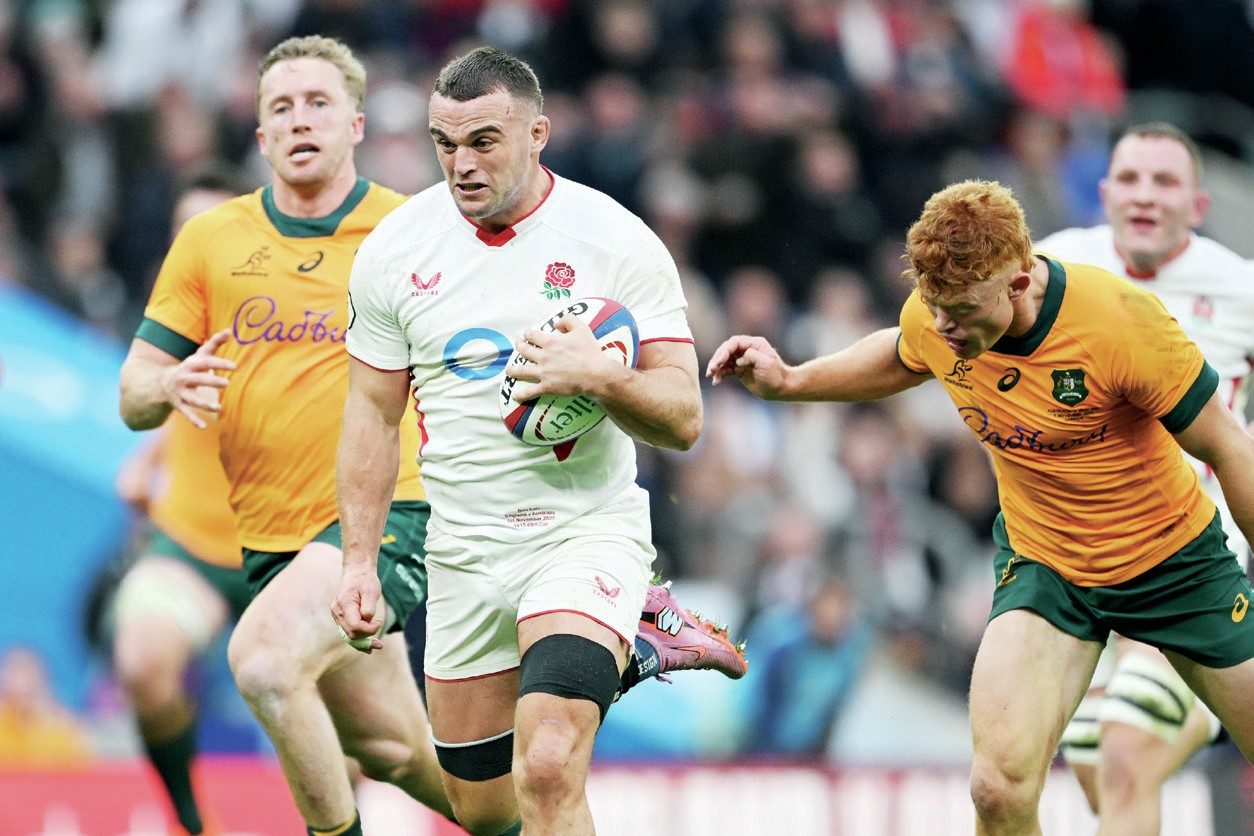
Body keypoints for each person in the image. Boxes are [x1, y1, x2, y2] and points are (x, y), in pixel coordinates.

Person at [707, 179, 1254, 835]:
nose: (945, 327)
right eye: (935, 306)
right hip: (1047, 568)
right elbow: (904, 349)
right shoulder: (945, 311)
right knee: (996, 789)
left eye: (961, 311)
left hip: (1174, 564)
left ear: (1018, 282)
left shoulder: (1119, 322)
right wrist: (791, 380)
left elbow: (1229, 446)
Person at [332, 46, 747, 836]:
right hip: (464, 551)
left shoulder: (615, 241)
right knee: (485, 810)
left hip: (580, 533)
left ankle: (617, 617)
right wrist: (358, 561)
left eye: (483, 141)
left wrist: (602, 377)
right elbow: (372, 416)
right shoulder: (394, 250)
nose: (461, 164)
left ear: (538, 134)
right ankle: (638, 638)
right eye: (444, 143)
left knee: (550, 766)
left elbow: (684, 417)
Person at [118, 36, 451, 836]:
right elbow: (132, 392)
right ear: (262, 135)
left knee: (265, 662)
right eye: (282, 107)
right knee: (394, 749)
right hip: (253, 542)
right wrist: (165, 386)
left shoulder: (412, 233)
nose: (300, 120)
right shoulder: (210, 241)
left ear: (355, 124)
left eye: (318, 104)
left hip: (378, 521)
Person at [1036, 123, 1254, 834]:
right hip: (1077, 570)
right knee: (1103, 774)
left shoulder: (1240, 289)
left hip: (1192, 568)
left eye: (1165, 182)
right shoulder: (1056, 267)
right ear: (1104, 194)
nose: (1145, 196)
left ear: (1198, 204)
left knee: (1127, 755)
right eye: (1130, 179)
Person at [111, 167, 246, 836]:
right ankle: (192, 823)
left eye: (211, 229)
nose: (194, 243)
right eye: (182, 231)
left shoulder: (299, 310)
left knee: (369, 742)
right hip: (193, 543)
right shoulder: (172, 318)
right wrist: (150, 460)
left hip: (294, 549)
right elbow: (165, 394)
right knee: (142, 660)